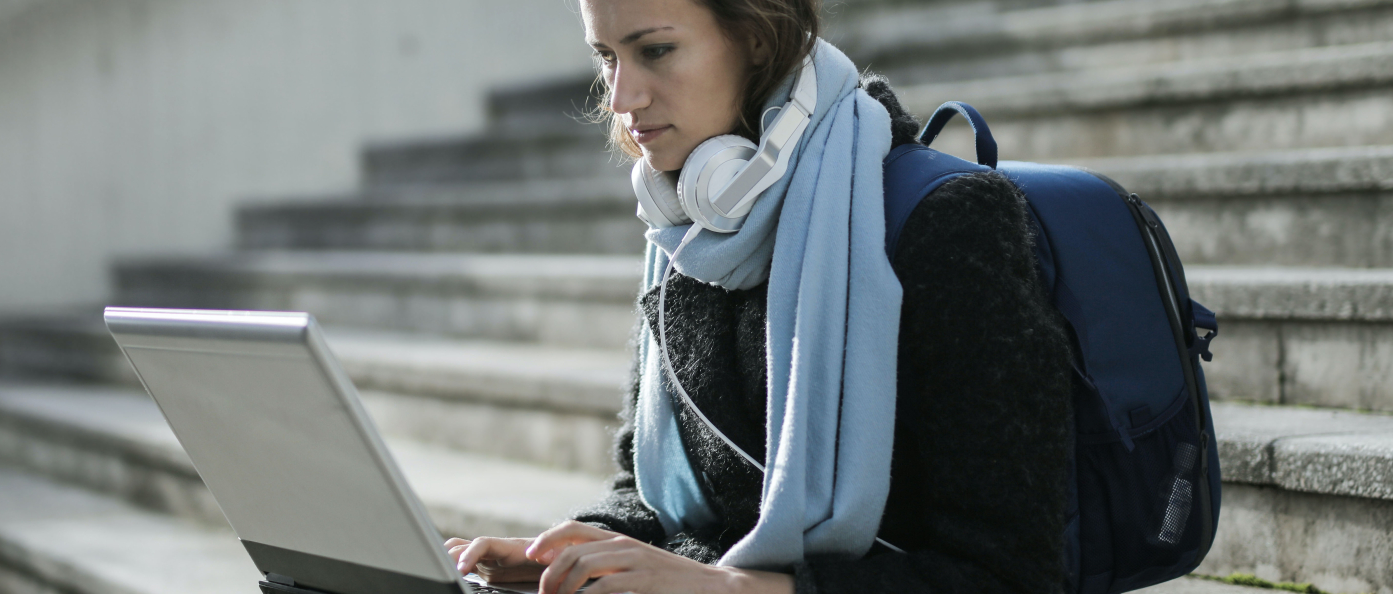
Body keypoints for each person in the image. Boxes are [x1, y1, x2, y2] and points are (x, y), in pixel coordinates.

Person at [447, 0, 1076, 592]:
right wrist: (572, 554)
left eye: (657, 51)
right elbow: (650, 488)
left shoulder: (947, 223)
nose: (622, 98)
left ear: (755, 36)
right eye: (607, 56)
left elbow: (1012, 573)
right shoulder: (688, 220)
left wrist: (734, 587)